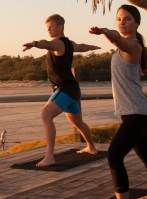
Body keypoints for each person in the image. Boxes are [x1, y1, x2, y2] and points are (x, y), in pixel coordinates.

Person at [89, 4, 147, 199]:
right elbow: (127, 45)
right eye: (119, 19)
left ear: (137, 23)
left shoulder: (130, 44)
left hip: (137, 114)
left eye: (128, 19)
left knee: (114, 156)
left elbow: (121, 42)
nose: (122, 22)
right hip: (133, 113)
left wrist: (105, 31)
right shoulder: (135, 46)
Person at [22, 14, 100, 166]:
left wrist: (35, 43)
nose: (49, 29)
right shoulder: (69, 44)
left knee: (46, 115)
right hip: (73, 90)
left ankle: (50, 156)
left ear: (60, 26)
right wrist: (92, 47)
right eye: (47, 27)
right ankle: (91, 147)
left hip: (65, 89)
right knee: (77, 122)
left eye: (51, 26)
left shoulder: (57, 43)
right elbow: (81, 47)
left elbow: (46, 44)